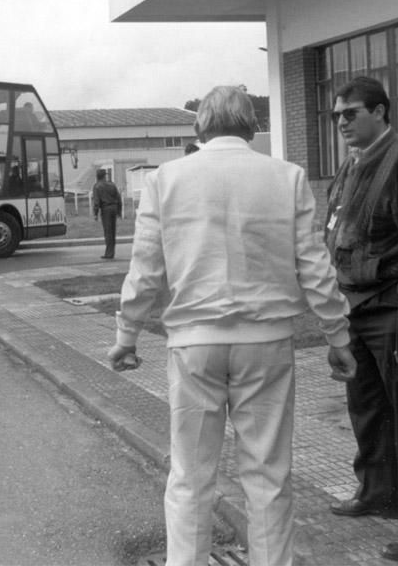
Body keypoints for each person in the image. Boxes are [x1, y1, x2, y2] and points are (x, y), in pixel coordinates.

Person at [107, 85, 355, 566]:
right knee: (268, 474)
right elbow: (313, 264)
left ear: (200, 127)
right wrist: (336, 334)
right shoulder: (287, 177)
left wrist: (127, 334)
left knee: (191, 475)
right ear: (250, 127)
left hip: (195, 342)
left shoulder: (166, 179)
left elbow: (146, 267)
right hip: (265, 343)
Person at [324, 77, 398, 561]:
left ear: (381, 112)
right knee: (366, 406)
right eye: (336, 117)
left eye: (351, 113)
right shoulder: (350, 166)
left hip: (393, 308)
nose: (342, 123)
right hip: (353, 307)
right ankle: (377, 490)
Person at [92, 169, 122, 259]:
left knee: (108, 232)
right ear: (105, 176)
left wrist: (95, 214)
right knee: (113, 232)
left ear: (97, 176)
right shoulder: (112, 184)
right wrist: (119, 211)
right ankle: (111, 252)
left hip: (106, 210)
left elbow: (96, 201)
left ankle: (109, 254)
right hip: (114, 208)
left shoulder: (97, 186)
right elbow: (119, 198)